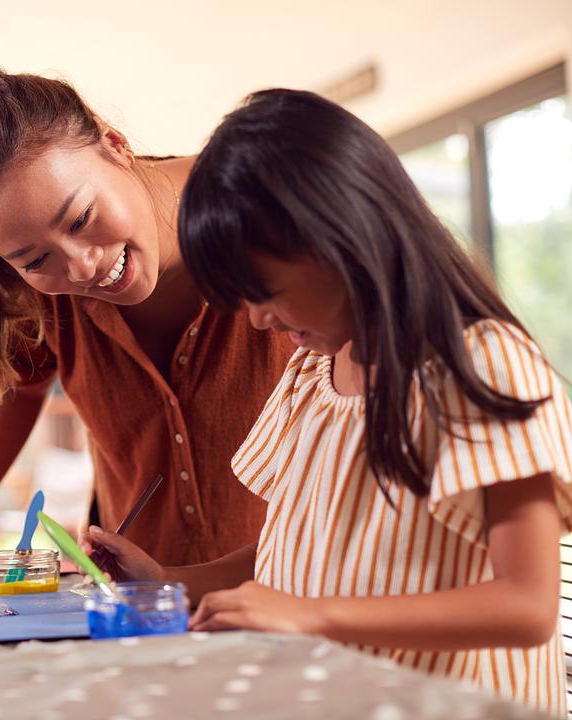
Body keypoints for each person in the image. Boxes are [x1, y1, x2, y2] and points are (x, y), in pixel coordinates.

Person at [89, 88, 571, 716]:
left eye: (264, 291)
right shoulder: (313, 373)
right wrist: (171, 581)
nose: (258, 321)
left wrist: (312, 615)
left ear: (343, 236)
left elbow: (527, 607)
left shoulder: (482, 365)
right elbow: (301, 547)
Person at [0, 66, 295, 567]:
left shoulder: (272, 205)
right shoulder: (40, 290)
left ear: (115, 143)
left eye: (80, 218)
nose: (82, 267)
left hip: (310, 595)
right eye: (35, 260)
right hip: (136, 606)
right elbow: (16, 389)